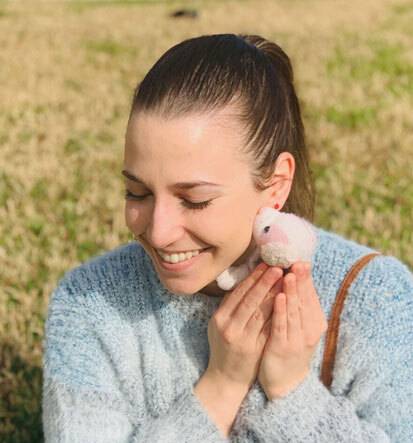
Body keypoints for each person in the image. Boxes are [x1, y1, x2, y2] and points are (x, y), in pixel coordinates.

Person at [42, 34, 413, 442]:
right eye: (138, 193)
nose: (159, 231)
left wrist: (292, 392)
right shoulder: (91, 302)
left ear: (276, 183)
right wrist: (220, 387)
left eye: (195, 200)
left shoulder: (375, 296)